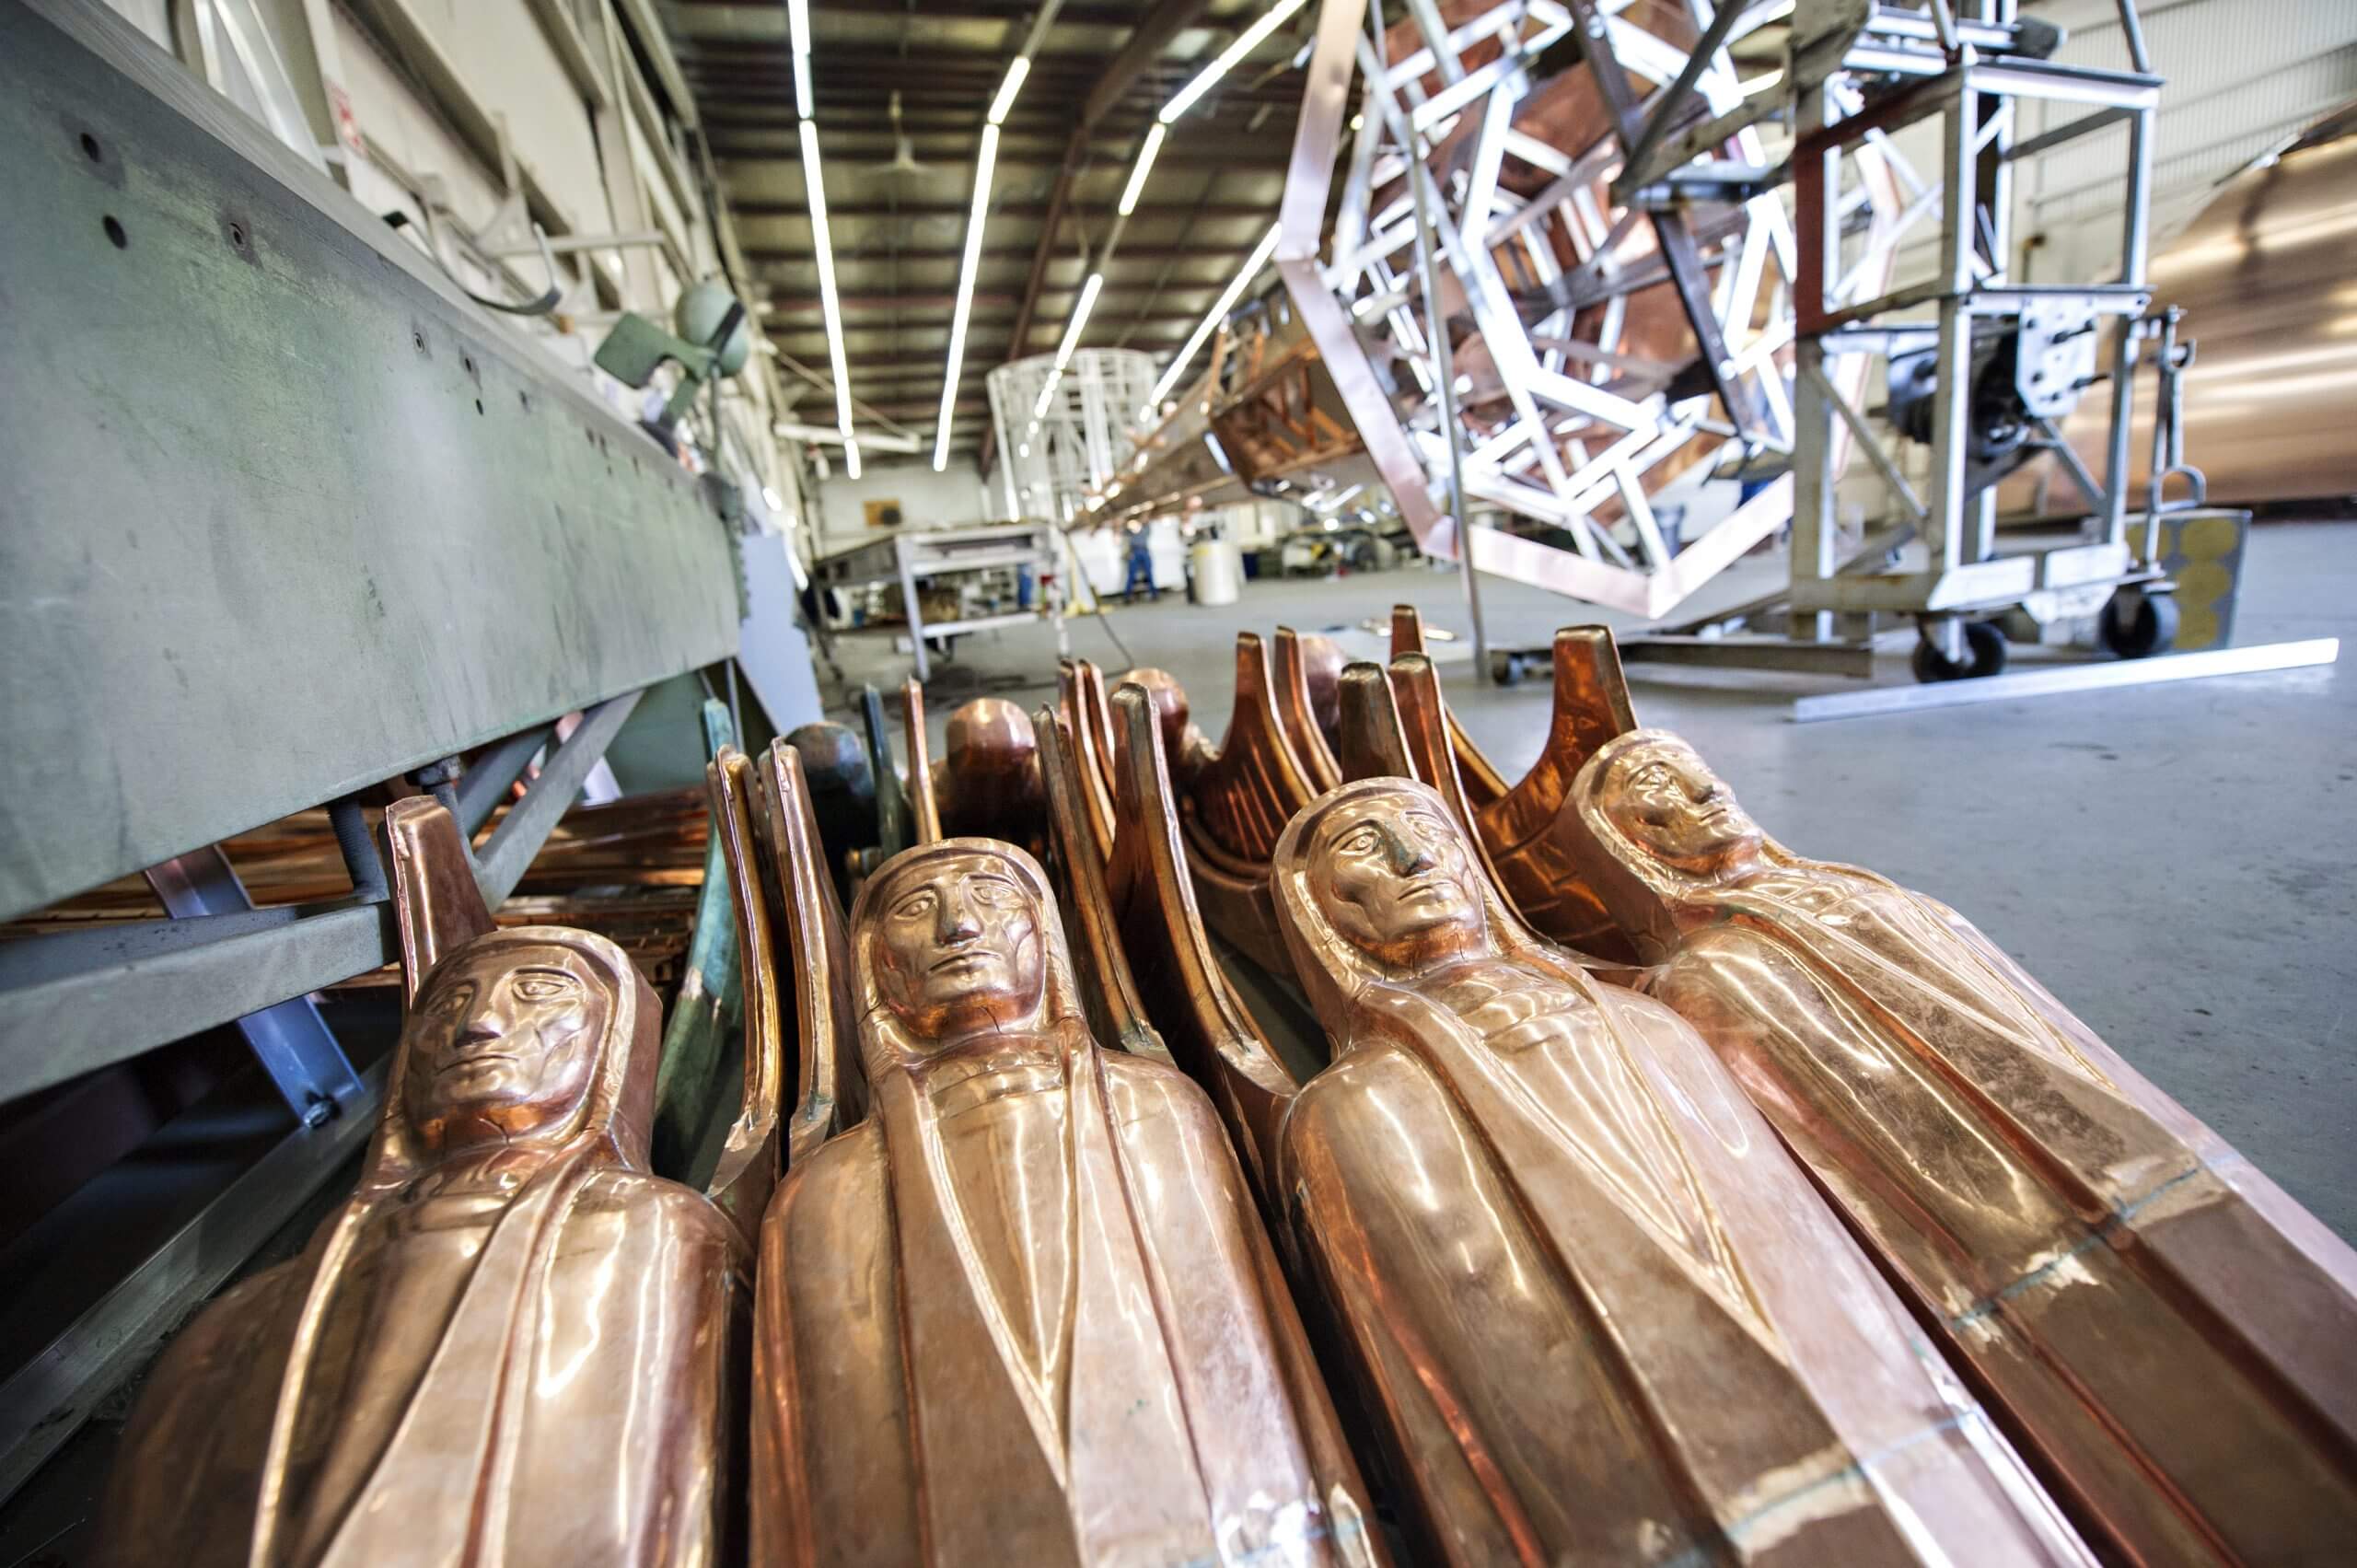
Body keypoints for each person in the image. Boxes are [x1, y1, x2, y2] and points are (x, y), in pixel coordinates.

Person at [1268, 777, 2093, 1566]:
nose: (1417, 860)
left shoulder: (1653, 1022)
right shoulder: (1357, 1107)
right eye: (1367, 846)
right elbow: (1466, 1391)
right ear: (1316, 911)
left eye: (1437, 837)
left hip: (1888, 1410)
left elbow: (1804, 1239)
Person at [98, 803, 749, 1568]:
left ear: (613, 1045)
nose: (479, 1027)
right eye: (449, 1006)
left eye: (538, 992)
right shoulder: (232, 1329)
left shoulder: (652, 1236)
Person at [750, 839, 1379, 1567]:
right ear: (874, 966)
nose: (959, 927)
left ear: (1043, 933)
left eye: (991, 896)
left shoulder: (1160, 1111)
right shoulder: (824, 1194)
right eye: (917, 910)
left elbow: (1272, 1372)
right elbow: (804, 1491)